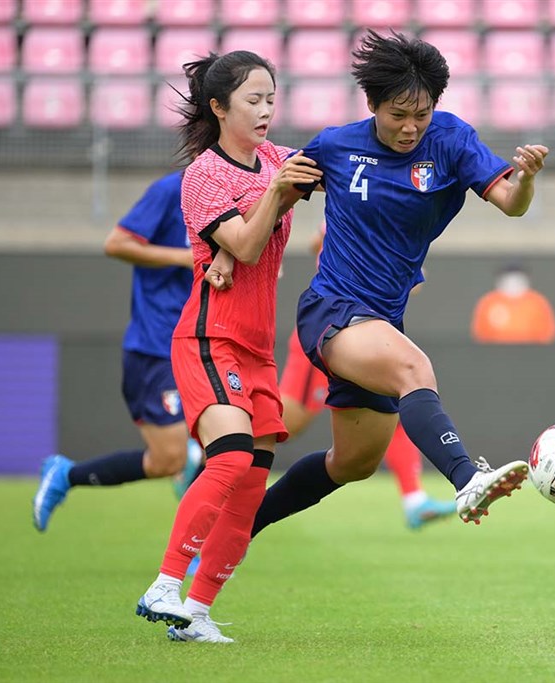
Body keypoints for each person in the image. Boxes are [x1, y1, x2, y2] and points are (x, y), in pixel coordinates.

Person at [246, 30, 551, 540]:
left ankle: (235, 530)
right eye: (397, 114)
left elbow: (510, 204)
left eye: (422, 114)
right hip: (332, 307)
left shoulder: (452, 141)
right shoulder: (334, 146)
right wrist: (235, 257)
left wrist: (526, 180)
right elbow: (270, 204)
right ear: (372, 104)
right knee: (414, 366)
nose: (411, 127)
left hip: (380, 318)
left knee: (352, 463)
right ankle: (466, 477)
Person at [134, 50, 322, 644]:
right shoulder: (203, 176)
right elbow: (242, 244)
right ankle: (164, 583)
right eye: (253, 100)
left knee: (250, 485)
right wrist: (276, 194)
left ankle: (195, 612)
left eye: (271, 98)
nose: (267, 111)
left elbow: (321, 169)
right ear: (218, 108)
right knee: (232, 456)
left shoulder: (277, 159)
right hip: (210, 337)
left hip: (258, 347)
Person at [31, 171, 205, 540]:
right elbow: (116, 243)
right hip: (158, 344)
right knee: (170, 459)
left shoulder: (236, 190)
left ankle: (196, 546)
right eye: (254, 105)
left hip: (206, 339)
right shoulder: (171, 190)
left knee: (226, 440)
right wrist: (186, 257)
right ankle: (66, 475)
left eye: (268, 105)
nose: (264, 111)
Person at [278, 225, 457, 530]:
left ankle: (414, 499)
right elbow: (317, 237)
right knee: (285, 424)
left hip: (363, 333)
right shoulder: (359, 206)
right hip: (330, 331)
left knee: (392, 411)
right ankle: (209, 442)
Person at [470, 261, 555, 344]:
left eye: (517, 277)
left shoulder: (538, 302)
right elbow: (479, 333)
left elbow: (548, 333)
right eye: (508, 277)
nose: (512, 281)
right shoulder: (488, 302)